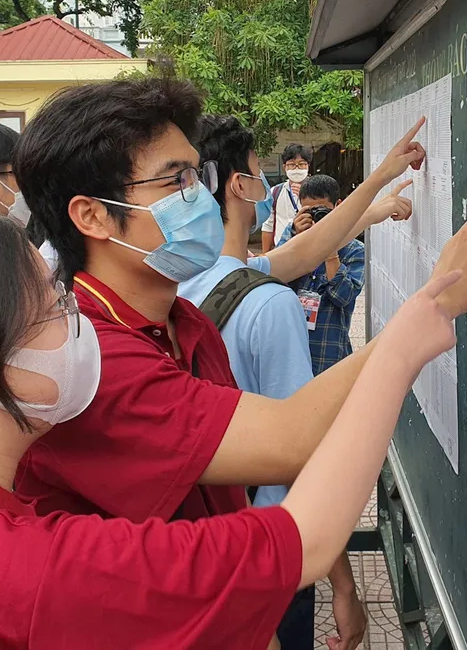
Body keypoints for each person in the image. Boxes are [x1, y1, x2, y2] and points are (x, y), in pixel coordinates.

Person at [0, 211, 465, 648]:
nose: (77, 321)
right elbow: (306, 540)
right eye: (50, 308)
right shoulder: (19, 566)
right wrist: (403, 345)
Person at [12, 76, 467, 533]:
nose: (200, 198)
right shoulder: (89, 358)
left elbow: (301, 251)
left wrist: (379, 183)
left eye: (197, 176)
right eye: (176, 181)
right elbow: (291, 441)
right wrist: (441, 298)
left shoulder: (182, 320)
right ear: (94, 217)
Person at [177, 116, 365, 649]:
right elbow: (299, 454)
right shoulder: (269, 302)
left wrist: (374, 190)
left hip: (201, 540)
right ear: (241, 184)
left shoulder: (171, 279)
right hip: (270, 541)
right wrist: (343, 581)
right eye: (261, 167)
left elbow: (294, 255)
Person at [275, 175, 366, 375]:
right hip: (289, 351)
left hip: (329, 354)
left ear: (338, 206)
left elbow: (342, 296)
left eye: (323, 211)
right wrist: (297, 239)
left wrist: (330, 247)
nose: (318, 218)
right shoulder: (292, 237)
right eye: (310, 211)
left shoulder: (354, 250)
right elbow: (273, 281)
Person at [261, 143, 310, 251]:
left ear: (308, 166)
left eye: (301, 164)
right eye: (292, 165)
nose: (297, 168)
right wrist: (265, 255)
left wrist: (305, 198)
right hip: (281, 251)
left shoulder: (317, 191)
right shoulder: (275, 192)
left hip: (310, 251)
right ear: (284, 167)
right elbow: (268, 225)